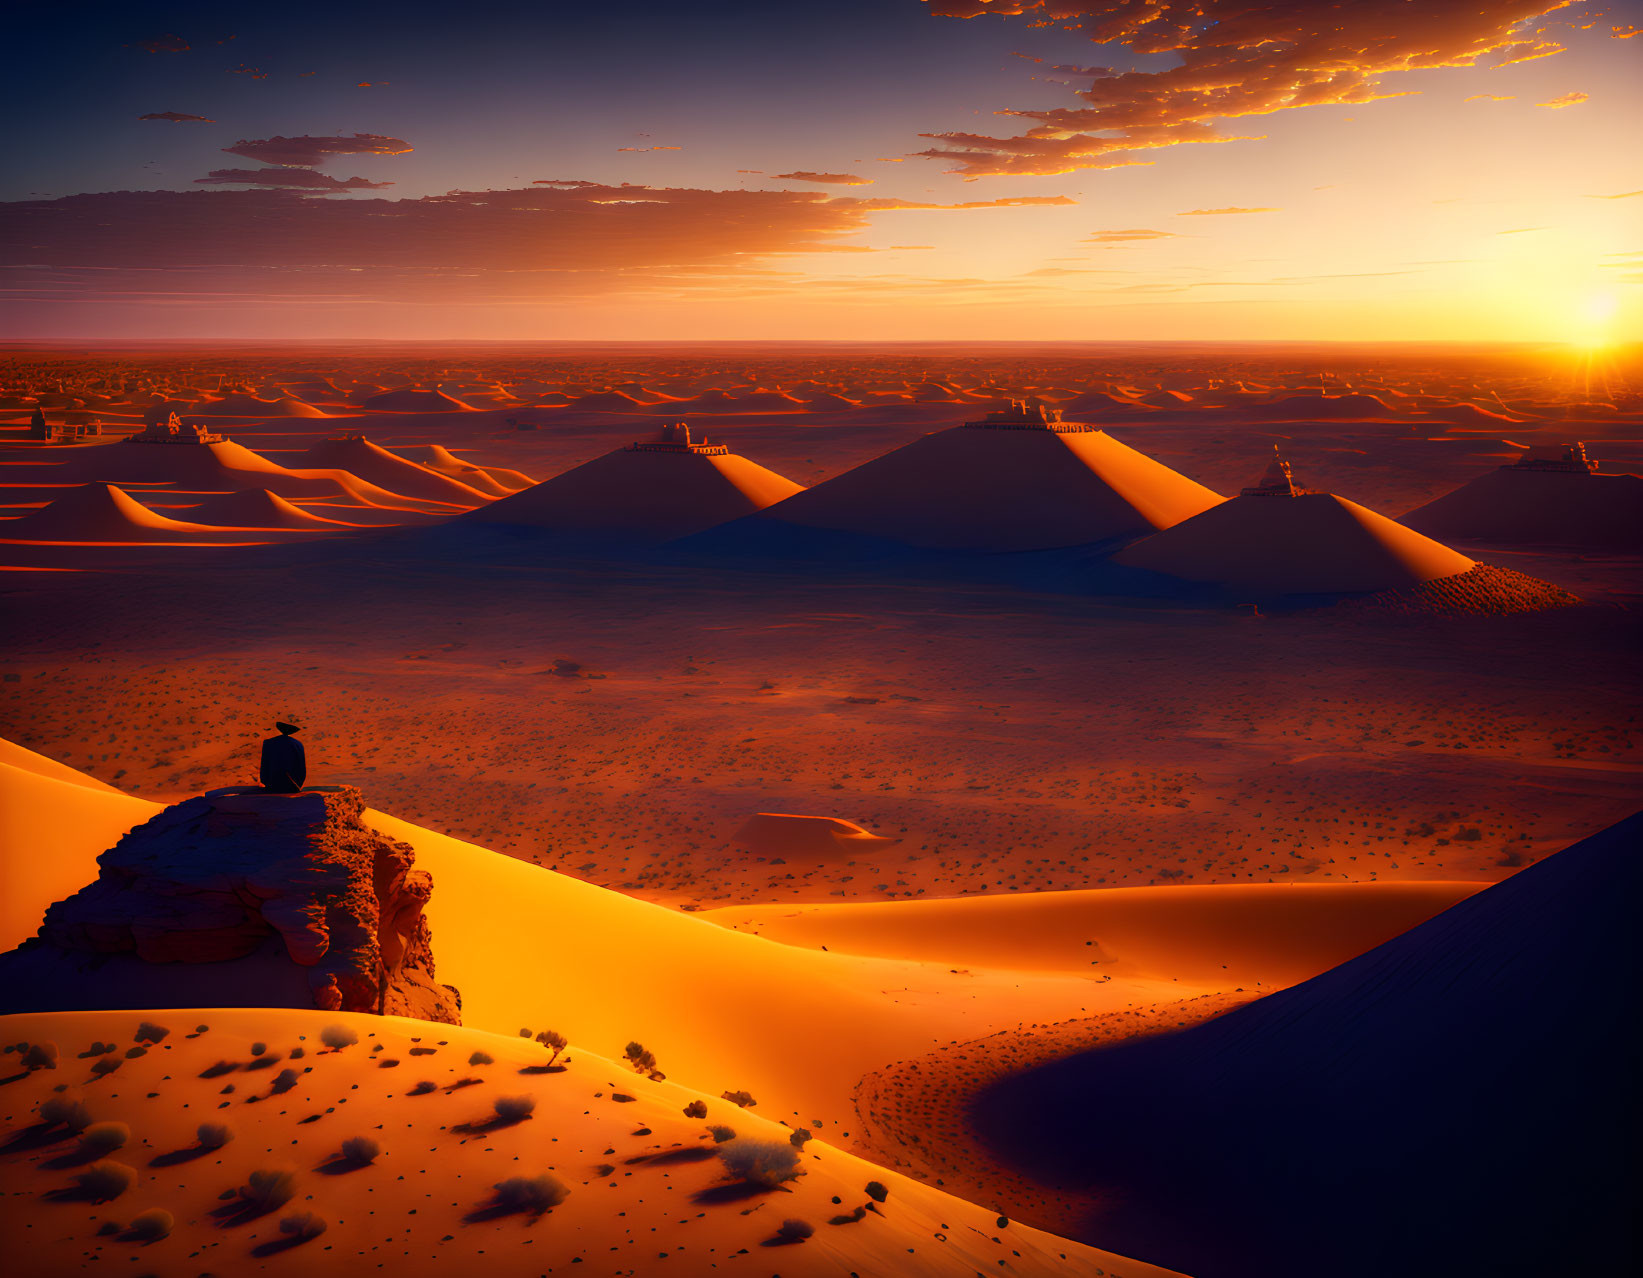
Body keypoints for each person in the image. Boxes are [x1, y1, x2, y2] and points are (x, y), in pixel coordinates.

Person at [259, 722, 307, 793]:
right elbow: (301, 766)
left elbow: (264, 764)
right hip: (291, 784)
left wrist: (265, 781)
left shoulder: (269, 743)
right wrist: (298, 784)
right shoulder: (298, 744)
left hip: (272, 783)